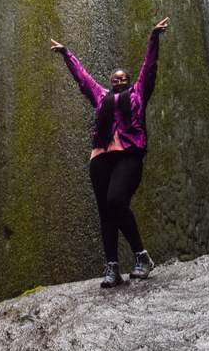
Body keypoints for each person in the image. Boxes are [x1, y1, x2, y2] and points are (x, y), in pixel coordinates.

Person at [50, 16, 170, 288]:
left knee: (117, 200)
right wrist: (66, 53)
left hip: (128, 155)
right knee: (105, 212)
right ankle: (112, 267)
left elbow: (148, 68)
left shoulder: (138, 94)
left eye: (123, 78)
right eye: (115, 78)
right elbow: (83, 79)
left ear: (129, 81)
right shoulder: (100, 96)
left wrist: (153, 37)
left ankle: (142, 256)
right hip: (101, 159)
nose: (118, 81)